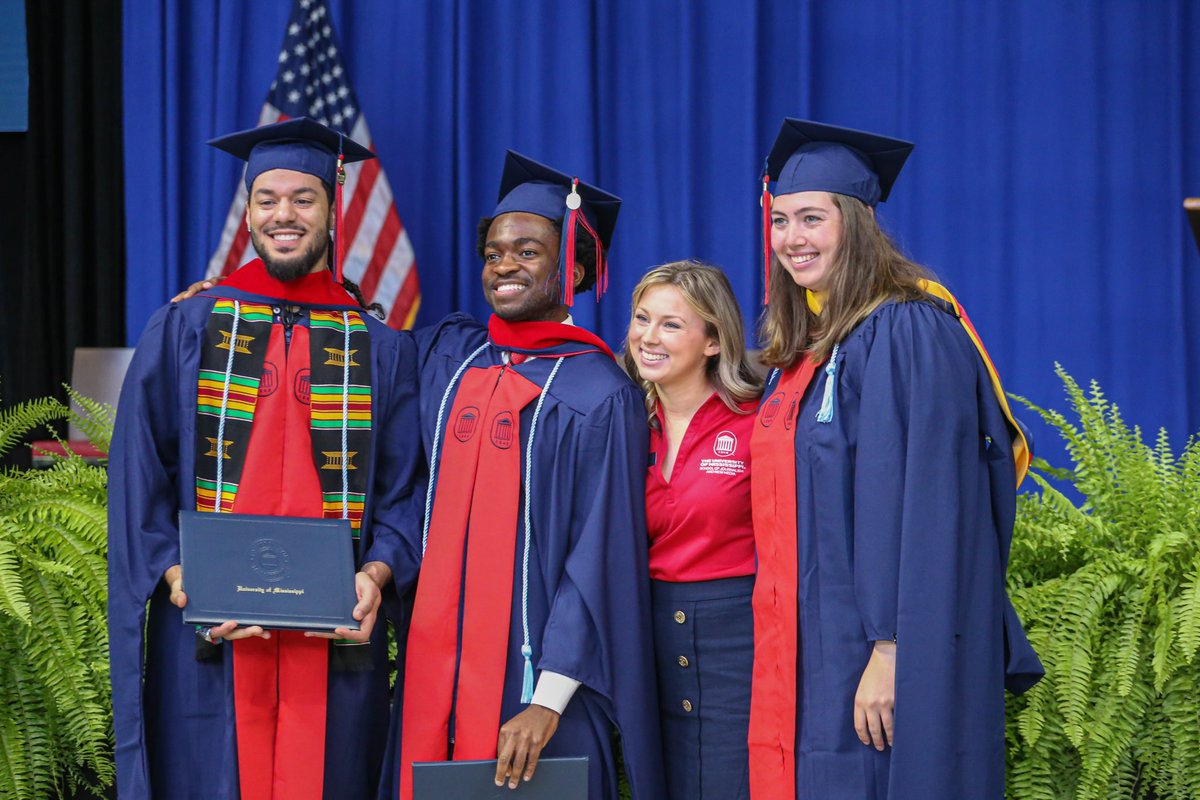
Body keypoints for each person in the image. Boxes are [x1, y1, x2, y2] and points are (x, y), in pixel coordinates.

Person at [108, 118, 423, 800]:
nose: (285, 214)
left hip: (337, 646)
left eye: (304, 198)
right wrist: (181, 577)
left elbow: (407, 490)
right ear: (248, 212)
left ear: (331, 210)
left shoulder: (380, 347)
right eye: (267, 199)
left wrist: (375, 575)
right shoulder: (188, 327)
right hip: (207, 641)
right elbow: (139, 476)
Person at [747, 118, 1044, 800]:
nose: (792, 239)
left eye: (812, 218)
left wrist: (892, 649)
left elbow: (931, 504)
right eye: (781, 220)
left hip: (881, 653)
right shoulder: (813, 349)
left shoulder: (908, 330)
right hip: (819, 649)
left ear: (856, 223)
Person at [381, 151, 666, 800]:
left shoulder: (602, 394)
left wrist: (549, 698)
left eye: (528, 252)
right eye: (494, 253)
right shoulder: (450, 354)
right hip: (435, 668)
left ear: (573, 269)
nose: (504, 265)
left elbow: (601, 555)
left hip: (537, 682)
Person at [622, 260, 762, 800]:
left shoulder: (759, 421)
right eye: (642, 319)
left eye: (671, 324)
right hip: (645, 641)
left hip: (739, 643)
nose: (648, 337)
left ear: (713, 341)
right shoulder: (620, 419)